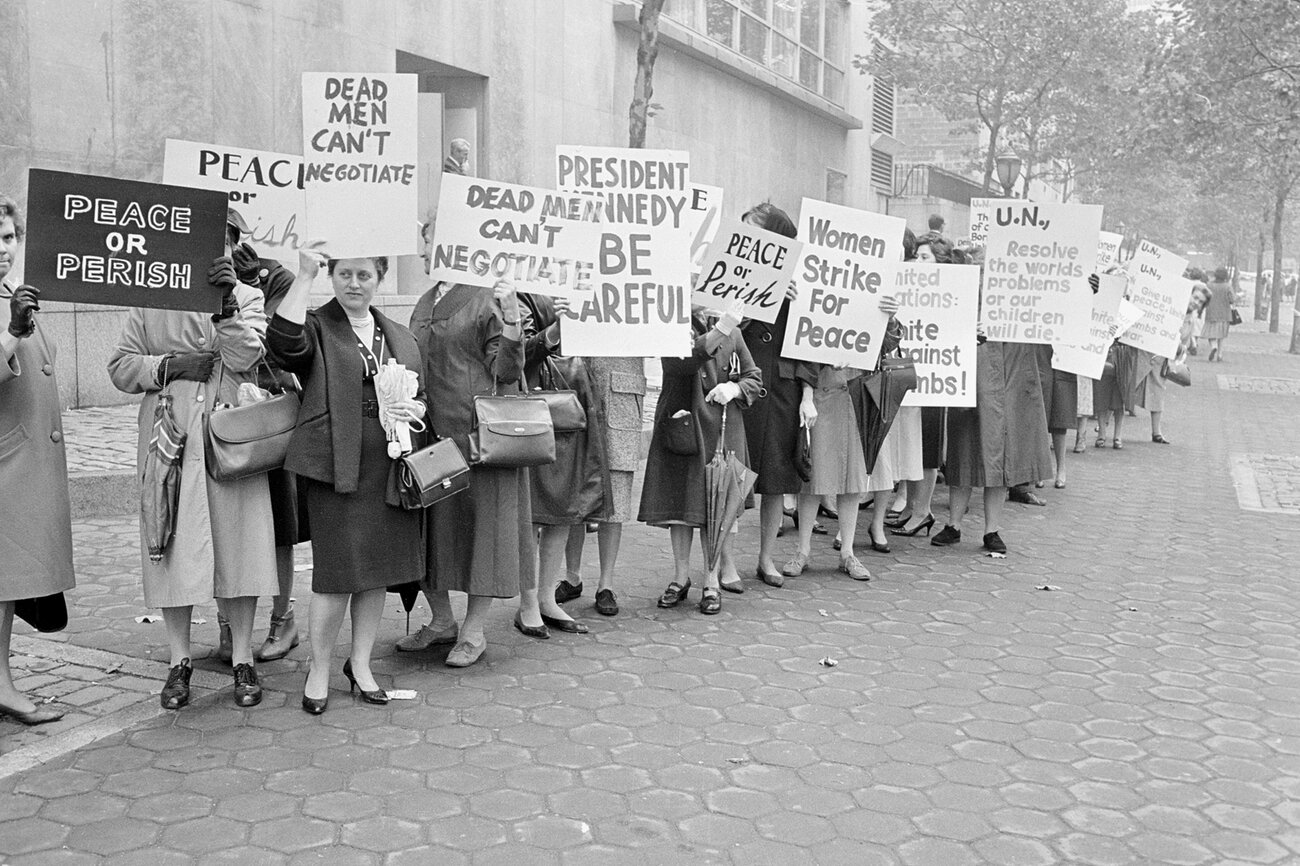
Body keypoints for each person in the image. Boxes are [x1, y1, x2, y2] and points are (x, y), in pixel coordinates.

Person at [108, 233, 277, 710]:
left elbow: (252, 357)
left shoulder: (245, 296)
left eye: (219, 241)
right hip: (170, 433)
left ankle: (243, 655)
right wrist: (171, 365)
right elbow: (120, 366)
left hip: (230, 433)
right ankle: (178, 660)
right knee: (172, 542)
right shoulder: (151, 296)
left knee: (241, 540)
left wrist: (226, 308)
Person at [268, 246, 424, 714]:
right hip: (338, 469)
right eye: (344, 275)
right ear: (331, 277)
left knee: (375, 574)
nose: (353, 284)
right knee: (336, 576)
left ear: (380, 276)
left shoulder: (399, 335)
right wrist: (304, 275)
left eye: (364, 274)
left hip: (389, 470)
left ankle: (360, 665)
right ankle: (319, 669)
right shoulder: (317, 325)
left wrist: (414, 408)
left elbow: (422, 395)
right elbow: (283, 343)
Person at [408, 224, 532, 667]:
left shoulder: (486, 297)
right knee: (430, 533)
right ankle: (442, 621)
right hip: (427, 436)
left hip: (478, 439)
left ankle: (474, 630)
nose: (422, 250)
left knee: (485, 533)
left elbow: (508, 368)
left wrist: (513, 319)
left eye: (428, 242)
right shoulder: (427, 300)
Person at [213, 220, 304, 663]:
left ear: (237, 240)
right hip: (219, 421)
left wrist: (249, 285)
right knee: (223, 526)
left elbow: (279, 346)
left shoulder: (275, 275)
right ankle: (229, 625)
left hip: (264, 419)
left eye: (226, 237)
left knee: (277, 525)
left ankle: (282, 618)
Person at [0, 195, 75, 725]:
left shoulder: (11, 291)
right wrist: (12, 334)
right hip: (6, 467)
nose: (2, 248)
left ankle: (0, 680)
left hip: (22, 464)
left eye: (7, 237)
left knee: (8, 584)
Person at [641, 304, 762, 614]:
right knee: (682, 507)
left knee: (717, 505)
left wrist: (735, 388)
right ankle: (680, 578)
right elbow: (680, 363)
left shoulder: (732, 331)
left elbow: (754, 378)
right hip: (685, 425)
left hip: (722, 429)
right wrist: (721, 328)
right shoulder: (672, 321)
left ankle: (711, 580)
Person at [933, 251, 1053, 555]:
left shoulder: (1025, 305)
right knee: (964, 451)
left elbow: (1061, 310)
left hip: (1010, 382)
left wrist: (1085, 288)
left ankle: (992, 529)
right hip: (970, 382)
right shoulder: (961, 300)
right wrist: (966, 329)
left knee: (1002, 456)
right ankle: (954, 525)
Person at [785, 296, 902, 582]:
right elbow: (804, 352)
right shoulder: (818, 299)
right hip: (824, 393)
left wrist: (890, 318)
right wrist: (807, 395)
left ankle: (847, 553)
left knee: (853, 477)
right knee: (813, 474)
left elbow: (887, 346)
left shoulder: (870, 300)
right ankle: (802, 550)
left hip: (859, 396)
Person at [732, 203, 817, 589]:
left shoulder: (800, 287)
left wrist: (807, 395)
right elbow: (719, 326)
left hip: (782, 391)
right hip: (741, 388)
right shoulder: (733, 276)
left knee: (775, 480)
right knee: (732, 477)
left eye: (758, 231)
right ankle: (725, 560)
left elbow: (808, 346)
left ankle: (766, 559)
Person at [889, 232, 948, 538]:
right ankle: (913, 507)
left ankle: (923, 510)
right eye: (917, 257)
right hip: (912, 376)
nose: (918, 262)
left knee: (928, 446)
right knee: (913, 445)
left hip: (937, 380)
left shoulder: (951, 292)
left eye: (926, 257)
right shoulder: (907, 288)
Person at [1135, 282, 1211, 445]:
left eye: (1200, 302)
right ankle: (1107, 426)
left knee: (1158, 389)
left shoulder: (1191, 319)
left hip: (1164, 357)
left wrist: (1180, 347)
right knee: (1129, 383)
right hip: (1147, 349)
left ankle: (1156, 432)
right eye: (1195, 297)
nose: (1196, 302)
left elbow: (1185, 343)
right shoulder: (1170, 308)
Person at [1201, 267, 1234, 362]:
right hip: (1224, 314)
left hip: (1211, 312)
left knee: (1211, 333)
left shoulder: (1209, 285)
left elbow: (1204, 297)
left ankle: (1213, 346)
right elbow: (1232, 299)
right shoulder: (1228, 286)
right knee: (1221, 335)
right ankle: (1219, 355)